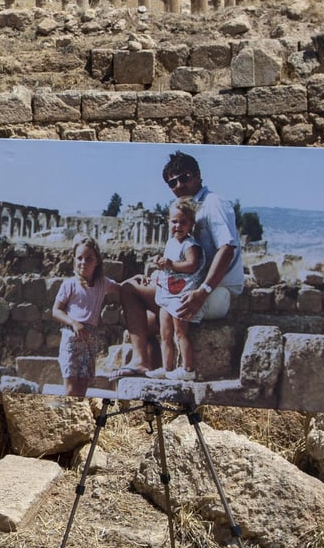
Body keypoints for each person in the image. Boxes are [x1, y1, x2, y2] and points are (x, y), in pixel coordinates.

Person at [118, 151, 244, 375]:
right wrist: (157, 277)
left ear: (197, 176)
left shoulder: (212, 203)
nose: (178, 185)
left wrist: (203, 291)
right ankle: (160, 370)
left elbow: (227, 249)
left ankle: (142, 362)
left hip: (214, 292)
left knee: (128, 289)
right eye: (172, 182)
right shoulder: (186, 210)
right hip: (193, 286)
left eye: (183, 178)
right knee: (146, 322)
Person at [51, 237, 117, 400]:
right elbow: (56, 310)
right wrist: (74, 323)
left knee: (82, 387)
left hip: (90, 339)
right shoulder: (70, 284)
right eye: (79, 258)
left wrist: (137, 280)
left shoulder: (102, 283)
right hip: (72, 338)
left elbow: (122, 288)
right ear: (74, 260)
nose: (83, 262)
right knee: (71, 388)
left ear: (97, 262)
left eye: (89, 258)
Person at [149, 198, 205, 381]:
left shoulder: (190, 245)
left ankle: (188, 369)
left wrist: (171, 264)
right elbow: (169, 264)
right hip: (167, 293)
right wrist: (161, 263)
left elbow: (191, 265)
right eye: (174, 221)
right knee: (164, 333)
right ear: (168, 222)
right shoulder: (171, 242)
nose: (178, 226)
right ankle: (167, 367)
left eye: (183, 222)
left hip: (181, 294)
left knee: (180, 332)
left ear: (191, 224)